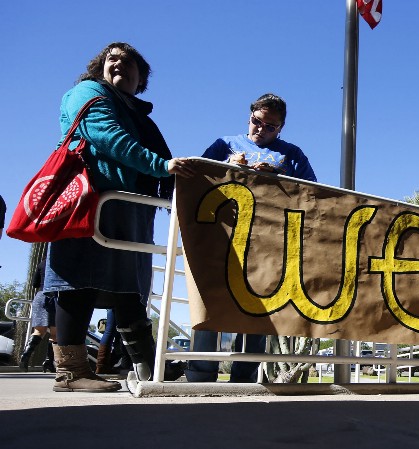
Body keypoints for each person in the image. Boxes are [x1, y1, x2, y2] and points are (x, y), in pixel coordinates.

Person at [43, 42, 195, 393]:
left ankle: (147, 365)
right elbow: (109, 138)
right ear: (100, 67)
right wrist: (161, 166)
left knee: (130, 287)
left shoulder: (138, 113)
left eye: (130, 63)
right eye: (113, 59)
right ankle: (70, 372)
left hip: (128, 206)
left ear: (141, 78)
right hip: (90, 199)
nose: (120, 65)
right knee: (78, 281)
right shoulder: (89, 92)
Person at [187, 93, 317, 383]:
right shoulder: (224, 144)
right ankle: (200, 372)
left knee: (258, 309)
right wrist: (228, 166)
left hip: (267, 243)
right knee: (209, 301)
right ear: (250, 117)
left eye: (270, 127)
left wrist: (279, 177)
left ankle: (245, 375)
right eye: (257, 121)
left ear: (280, 128)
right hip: (221, 237)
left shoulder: (291, 154)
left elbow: (313, 191)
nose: (261, 129)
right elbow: (195, 177)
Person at [19, 259, 57, 373]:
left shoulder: (41, 263)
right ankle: (49, 362)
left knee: (39, 331)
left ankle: (25, 356)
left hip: (40, 296)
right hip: (53, 296)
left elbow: (35, 283)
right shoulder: (62, 260)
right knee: (55, 334)